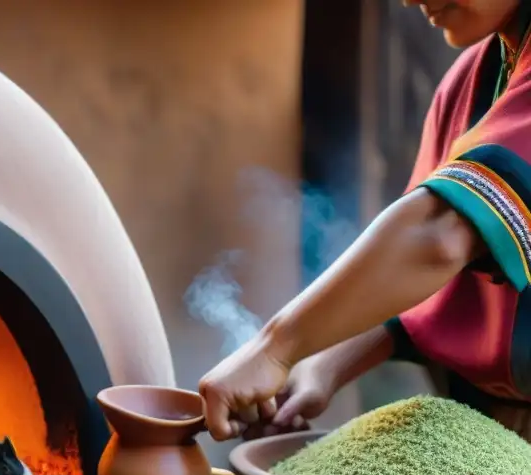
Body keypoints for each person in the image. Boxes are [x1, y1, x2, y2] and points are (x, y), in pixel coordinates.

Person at [198, 0, 531, 442]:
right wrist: (324, 363)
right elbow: (427, 275)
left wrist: (274, 348)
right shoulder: (469, 78)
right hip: (493, 438)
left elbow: (439, 237)